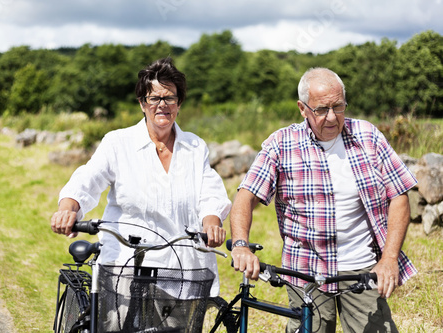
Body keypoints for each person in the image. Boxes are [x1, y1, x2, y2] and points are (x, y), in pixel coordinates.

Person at [229, 67, 417, 332]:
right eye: (321, 109)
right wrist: (240, 245)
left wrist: (389, 258)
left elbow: (398, 194)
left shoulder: (368, 136)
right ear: (302, 108)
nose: (331, 117)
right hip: (306, 267)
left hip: (361, 266)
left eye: (338, 107)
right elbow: (245, 196)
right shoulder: (281, 144)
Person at [50, 57, 231, 297]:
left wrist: (212, 223)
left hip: (181, 271)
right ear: (142, 103)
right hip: (125, 266)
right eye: (154, 98)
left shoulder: (195, 146)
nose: (162, 104)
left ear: (179, 103)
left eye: (169, 98)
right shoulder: (118, 143)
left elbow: (209, 193)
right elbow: (88, 179)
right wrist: (68, 208)